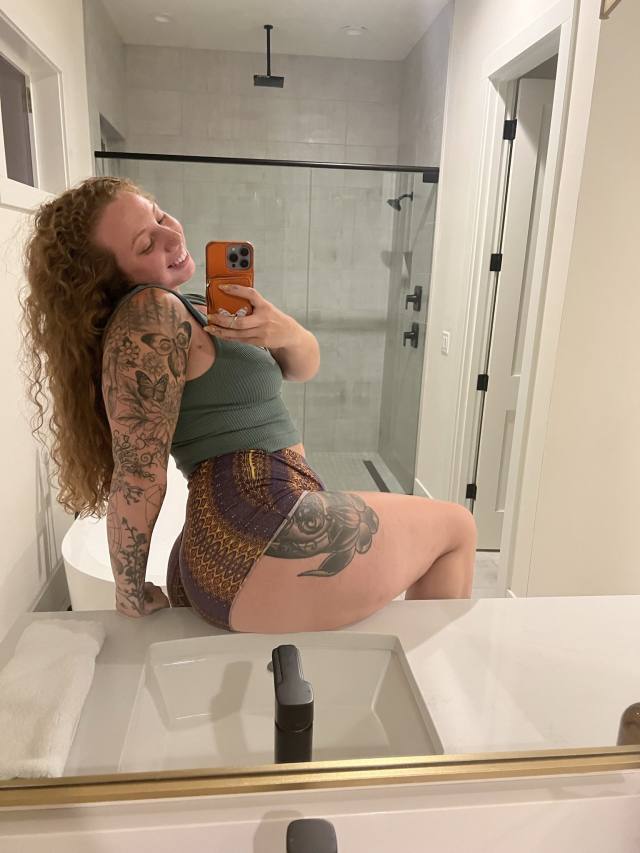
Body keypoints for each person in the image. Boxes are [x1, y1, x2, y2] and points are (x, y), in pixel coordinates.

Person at [22, 176, 476, 633]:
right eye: (146, 244)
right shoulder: (151, 313)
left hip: (235, 536)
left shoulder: (195, 307)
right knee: (456, 529)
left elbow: (302, 368)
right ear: (111, 280)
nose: (171, 236)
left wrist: (283, 330)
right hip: (255, 523)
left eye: (158, 216)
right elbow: (138, 470)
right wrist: (129, 592)